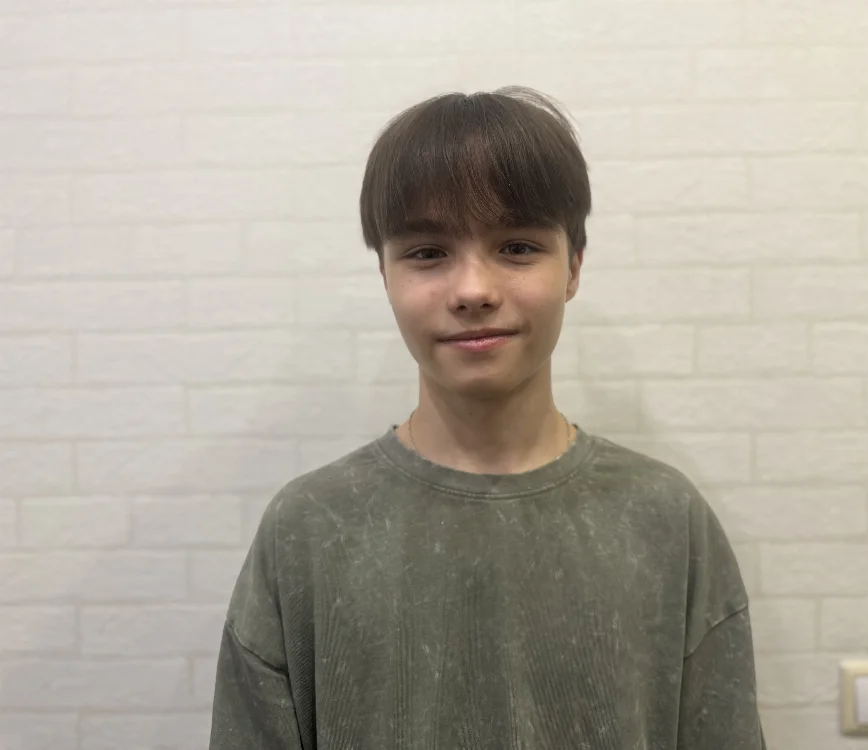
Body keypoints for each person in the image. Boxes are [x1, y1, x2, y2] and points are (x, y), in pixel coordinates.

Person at [208, 86, 766, 750]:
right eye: (427, 253)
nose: (473, 290)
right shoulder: (308, 529)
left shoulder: (665, 520)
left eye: (517, 247)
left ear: (573, 267)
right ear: (384, 274)